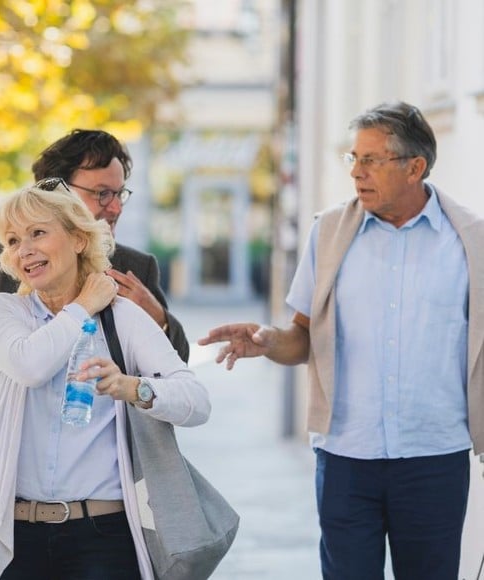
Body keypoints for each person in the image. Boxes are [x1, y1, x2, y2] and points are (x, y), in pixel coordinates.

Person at [197, 101, 484, 580]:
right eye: (353, 158)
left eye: (372, 160)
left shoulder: (470, 242)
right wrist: (267, 341)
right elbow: (303, 338)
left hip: (434, 458)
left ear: (415, 168)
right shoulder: (329, 232)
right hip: (346, 458)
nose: (357, 172)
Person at [0, 129, 190, 578]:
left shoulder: (137, 267)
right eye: (101, 193)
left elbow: (173, 375)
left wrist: (157, 317)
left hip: (100, 505)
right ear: (54, 193)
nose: (114, 206)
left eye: (119, 194)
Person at [0, 180, 210, 579]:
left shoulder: (121, 317)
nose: (24, 250)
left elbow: (197, 402)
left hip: (104, 538)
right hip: (18, 536)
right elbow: (30, 366)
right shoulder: (3, 311)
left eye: (38, 232)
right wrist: (83, 305)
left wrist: (134, 388)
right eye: (12, 240)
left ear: (77, 239)